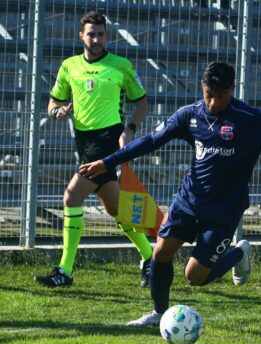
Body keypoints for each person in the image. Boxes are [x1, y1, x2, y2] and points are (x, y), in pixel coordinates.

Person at [79, 61, 261, 327]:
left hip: (224, 209)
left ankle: (237, 254)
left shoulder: (249, 119)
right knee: (160, 253)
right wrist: (109, 161)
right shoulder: (190, 114)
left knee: (194, 277)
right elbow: (151, 140)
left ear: (232, 90)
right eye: (209, 95)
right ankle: (158, 314)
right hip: (189, 200)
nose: (212, 103)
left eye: (220, 97)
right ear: (202, 87)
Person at [34, 11, 154, 288]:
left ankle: (65, 271)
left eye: (100, 34)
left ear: (106, 36)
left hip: (108, 142)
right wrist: (57, 113)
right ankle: (151, 257)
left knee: (71, 197)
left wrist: (130, 129)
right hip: (84, 142)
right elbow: (53, 103)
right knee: (116, 209)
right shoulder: (69, 67)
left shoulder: (121, 66)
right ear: (82, 36)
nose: (96, 39)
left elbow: (142, 103)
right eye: (91, 34)